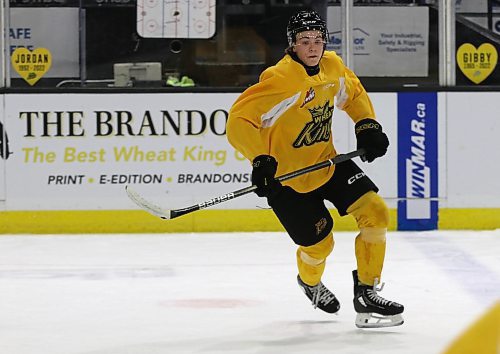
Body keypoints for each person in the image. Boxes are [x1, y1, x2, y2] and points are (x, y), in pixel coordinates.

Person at [226, 9, 404, 328]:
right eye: (305, 40)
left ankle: (367, 291)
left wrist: (366, 125)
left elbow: (353, 93)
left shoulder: (332, 66)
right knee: (322, 245)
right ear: (292, 45)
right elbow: (238, 120)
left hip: (328, 163)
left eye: (318, 40)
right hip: (288, 182)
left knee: (376, 212)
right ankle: (309, 283)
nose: (313, 47)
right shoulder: (280, 80)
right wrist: (260, 159)